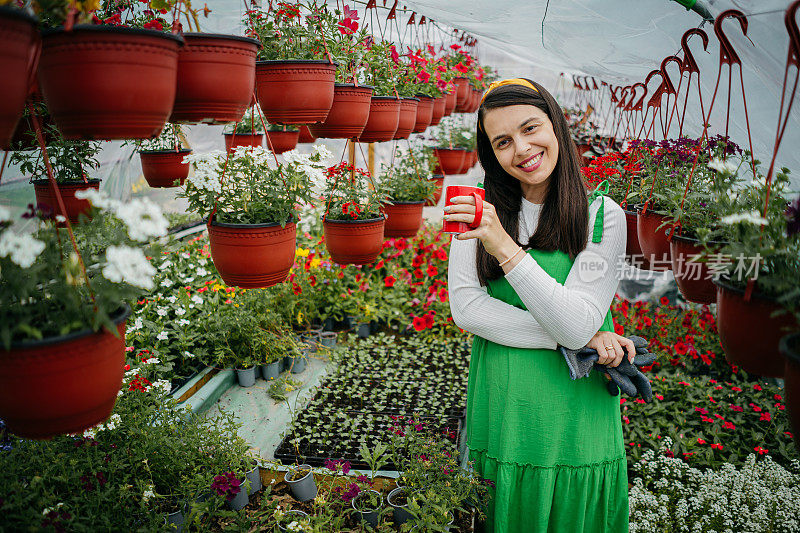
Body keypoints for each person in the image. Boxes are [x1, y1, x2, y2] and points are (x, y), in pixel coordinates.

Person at [446, 78, 633, 532]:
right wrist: (578, 339)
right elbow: (468, 308)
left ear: (556, 126)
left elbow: (576, 322)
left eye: (531, 128)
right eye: (503, 142)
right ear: (492, 154)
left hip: (575, 417)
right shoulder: (478, 211)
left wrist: (503, 245)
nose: (523, 149)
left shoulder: (602, 217)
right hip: (507, 409)